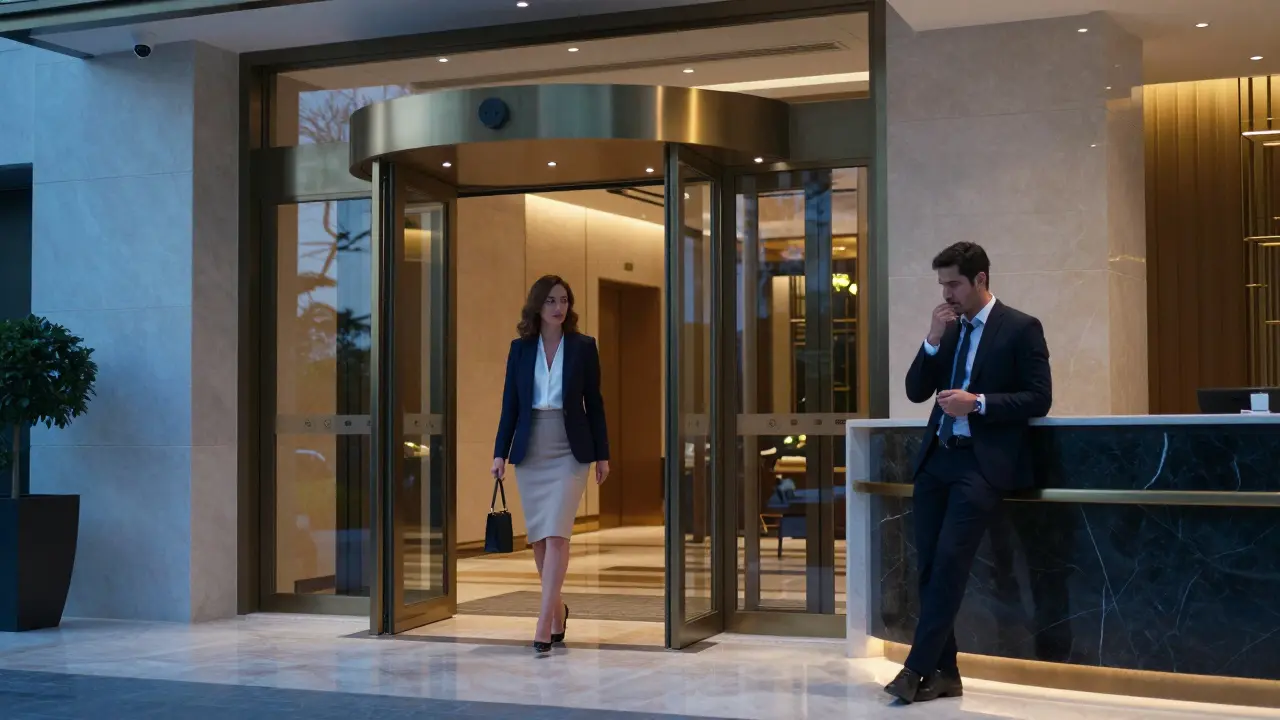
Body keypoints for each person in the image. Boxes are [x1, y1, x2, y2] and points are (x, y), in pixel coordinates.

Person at [884, 242, 1052, 704]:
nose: (947, 293)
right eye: (942, 284)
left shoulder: (1020, 328)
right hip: (937, 459)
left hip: (982, 464)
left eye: (954, 283)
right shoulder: (950, 329)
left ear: (980, 280)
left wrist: (977, 404)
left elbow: (1039, 398)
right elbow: (917, 390)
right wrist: (932, 338)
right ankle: (947, 674)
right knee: (930, 569)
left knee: (952, 565)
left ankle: (915, 667)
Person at [491, 275, 610, 655]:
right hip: (530, 448)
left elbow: (596, 402)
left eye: (564, 300)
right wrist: (499, 452)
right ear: (537, 307)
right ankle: (557, 611)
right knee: (540, 539)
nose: (559, 307)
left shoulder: (583, 347)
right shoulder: (520, 349)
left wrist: (602, 454)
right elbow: (510, 403)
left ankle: (543, 621)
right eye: (551, 301)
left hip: (569, 446)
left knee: (558, 534)